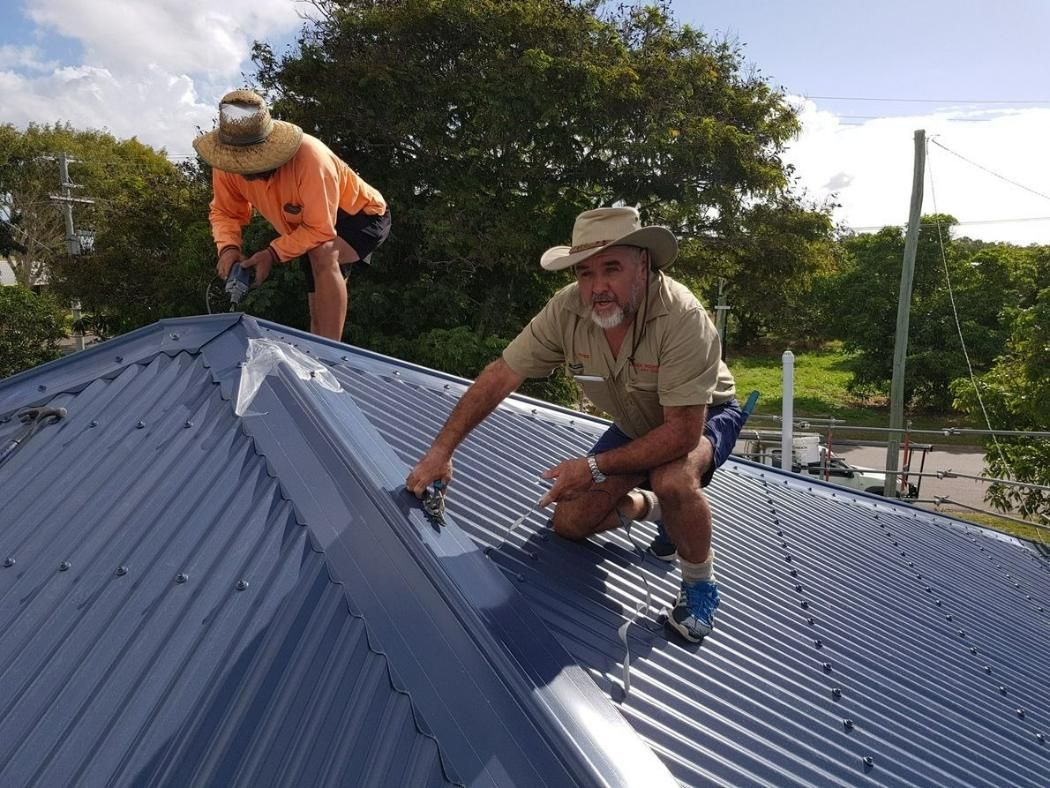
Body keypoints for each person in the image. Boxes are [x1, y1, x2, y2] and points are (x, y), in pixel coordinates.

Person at [406, 206, 745, 643]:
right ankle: (658, 510)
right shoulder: (567, 310)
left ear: (642, 264)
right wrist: (441, 452)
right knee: (569, 523)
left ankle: (700, 585)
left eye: (611, 268)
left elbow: (680, 434)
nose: (597, 287)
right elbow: (501, 375)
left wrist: (593, 467)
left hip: (700, 416)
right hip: (636, 421)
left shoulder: (683, 318)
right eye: (585, 273)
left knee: (675, 478)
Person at [193, 89, 391, 341]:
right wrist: (228, 248)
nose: (248, 171)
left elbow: (321, 229)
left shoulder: (310, 158)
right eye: (242, 163)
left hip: (360, 214)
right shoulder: (226, 165)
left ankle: (330, 352)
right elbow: (225, 211)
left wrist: (271, 254)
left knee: (322, 252)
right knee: (315, 300)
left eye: (257, 161)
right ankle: (315, 351)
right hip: (306, 227)